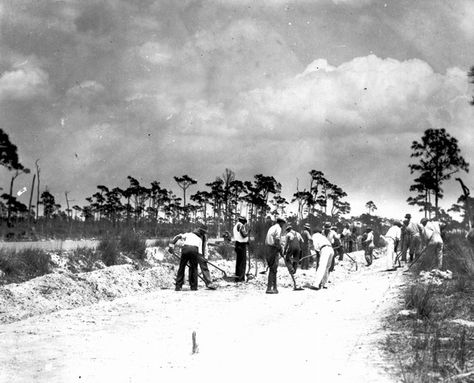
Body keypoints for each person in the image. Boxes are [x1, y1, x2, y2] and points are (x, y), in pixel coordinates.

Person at [170, 225, 215, 291]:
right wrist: (203, 258)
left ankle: (178, 286)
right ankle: (193, 287)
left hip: (185, 250)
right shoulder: (200, 239)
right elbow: (199, 251)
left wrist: (171, 247)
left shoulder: (187, 234)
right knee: (193, 268)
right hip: (194, 250)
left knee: (181, 268)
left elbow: (177, 237)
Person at [264, 217, 286, 294]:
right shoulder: (278, 228)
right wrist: (281, 250)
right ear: (281, 223)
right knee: (273, 269)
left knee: (272, 268)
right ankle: (270, 288)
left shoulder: (272, 227)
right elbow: (277, 241)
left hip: (267, 248)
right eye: (283, 224)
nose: (283, 226)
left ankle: (274, 287)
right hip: (272, 249)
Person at [233, 215, 249, 282]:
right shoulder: (241, 226)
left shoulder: (235, 226)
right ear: (243, 221)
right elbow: (244, 235)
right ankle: (241, 278)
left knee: (238, 262)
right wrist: (248, 232)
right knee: (242, 262)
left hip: (237, 244)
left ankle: (237, 277)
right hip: (241, 245)